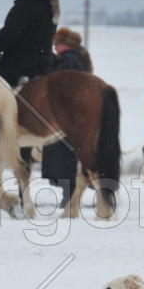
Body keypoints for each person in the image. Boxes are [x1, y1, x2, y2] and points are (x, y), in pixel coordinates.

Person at [43, 27, 92, 206]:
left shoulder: (68, 60)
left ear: (63, 44)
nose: (55, 48)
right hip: (74, 115)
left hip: (67, 116)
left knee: (64, 157)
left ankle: (68, 195)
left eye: (57, 44)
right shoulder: (76, 58)